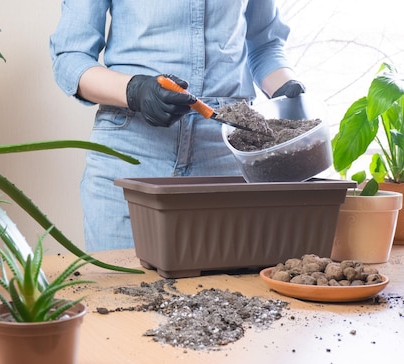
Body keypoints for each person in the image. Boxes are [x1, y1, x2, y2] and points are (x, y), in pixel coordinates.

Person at [49, 0, 305, 252]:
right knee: (122, 288)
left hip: (224, 151)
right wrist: (135, 90)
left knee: (234, 289)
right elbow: (71, 57)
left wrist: (286, 88)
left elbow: (265, 45)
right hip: (131, 150)